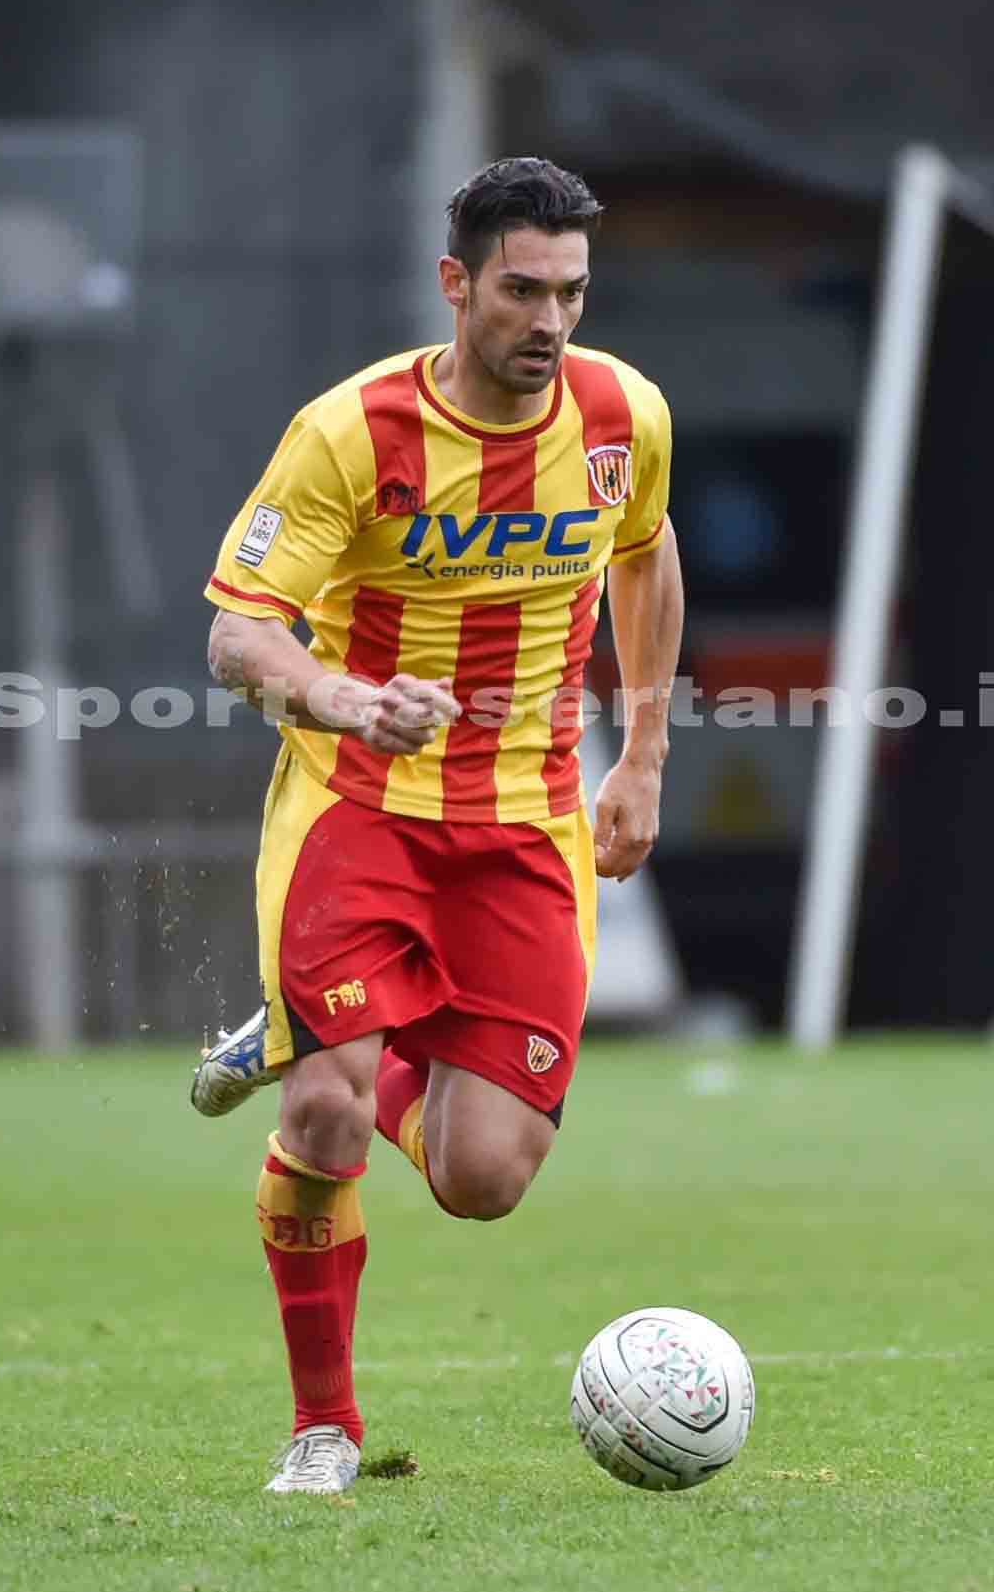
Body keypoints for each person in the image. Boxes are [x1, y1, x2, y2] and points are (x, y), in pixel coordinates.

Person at [189, 157, 684, 1490]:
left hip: (526, 827)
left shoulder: (623, 413)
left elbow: (644, 550)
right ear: (457, 282)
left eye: (572, 293)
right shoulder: (352, 433)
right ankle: (323, 1431)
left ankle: (325, 1033)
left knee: (483, 1178)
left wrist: (639, 756)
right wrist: (342, 697)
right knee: (330, 1112)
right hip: (359, 808)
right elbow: (240, 635)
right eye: (523, 290)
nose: (551, 321)